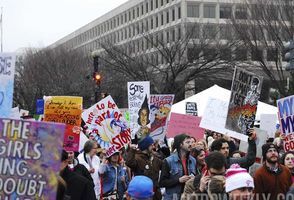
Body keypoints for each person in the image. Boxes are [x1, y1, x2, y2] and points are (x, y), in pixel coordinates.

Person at [159, 133, 196, 199]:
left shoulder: (193, 160)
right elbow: (162, 182)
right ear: (180, 144)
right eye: (187, 142)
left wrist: (193, 179)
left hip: (188, 196)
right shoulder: (168, 161)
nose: (190, 144)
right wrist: (178, 180)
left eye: (191, 142)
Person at [126, 136, 162, 200]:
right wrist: (132, 150)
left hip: (155, 195)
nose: (153, 147)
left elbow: (164, 166)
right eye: (151, 145)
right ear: (146, 146)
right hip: (142, 195)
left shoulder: (155, 158)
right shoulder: (137, 158)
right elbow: (129, 163)